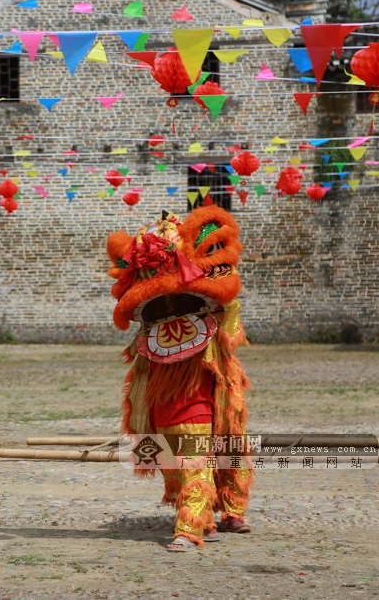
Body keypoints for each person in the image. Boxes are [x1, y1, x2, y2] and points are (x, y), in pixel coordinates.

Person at [105, 207, 253, 552]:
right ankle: (205, 518)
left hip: (204, 401)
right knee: (177, 464)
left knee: (215, 457)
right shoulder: (149, 334)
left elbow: (230, 323)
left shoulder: (214, 320)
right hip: (163, 407)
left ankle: (197, 526)